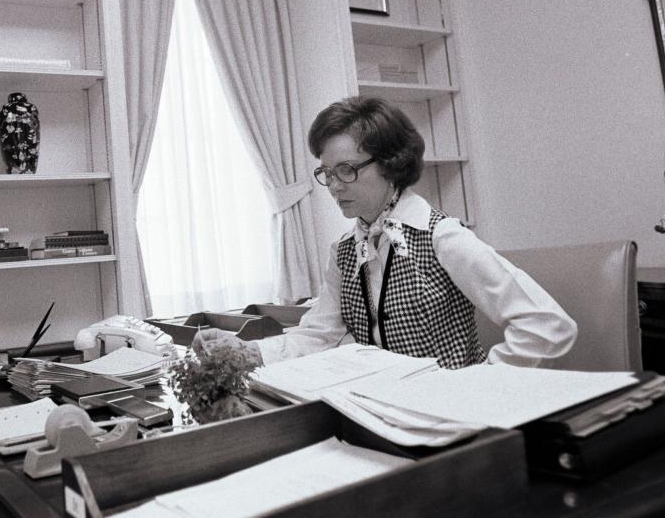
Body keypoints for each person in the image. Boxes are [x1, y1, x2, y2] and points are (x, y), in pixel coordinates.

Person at [194, 97, 577, 370]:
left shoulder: (443, 238)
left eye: (347, 169)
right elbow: (319, 335)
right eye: (327, 172)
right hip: (379, 412)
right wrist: (244, 350)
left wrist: (482, 383)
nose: (334, 186)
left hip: (453, 422)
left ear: (391, 165)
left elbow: (547, 325)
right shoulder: (345, 251)